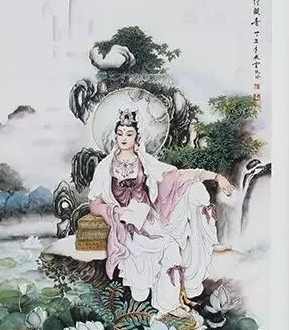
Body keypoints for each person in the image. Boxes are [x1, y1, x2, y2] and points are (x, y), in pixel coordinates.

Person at [88, 109, 234, 317]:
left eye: (129, 134)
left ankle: (170, 305)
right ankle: (167, 306)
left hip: (150, 218)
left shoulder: (145, 162)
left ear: (137, 137)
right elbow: (94, 204)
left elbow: (178, 176)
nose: (124, 138)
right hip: (125, 224)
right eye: (120, 133)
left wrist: (215, 177)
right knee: (166, 248)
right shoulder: (105, 167)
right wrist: (114, 210)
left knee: (193, 194)